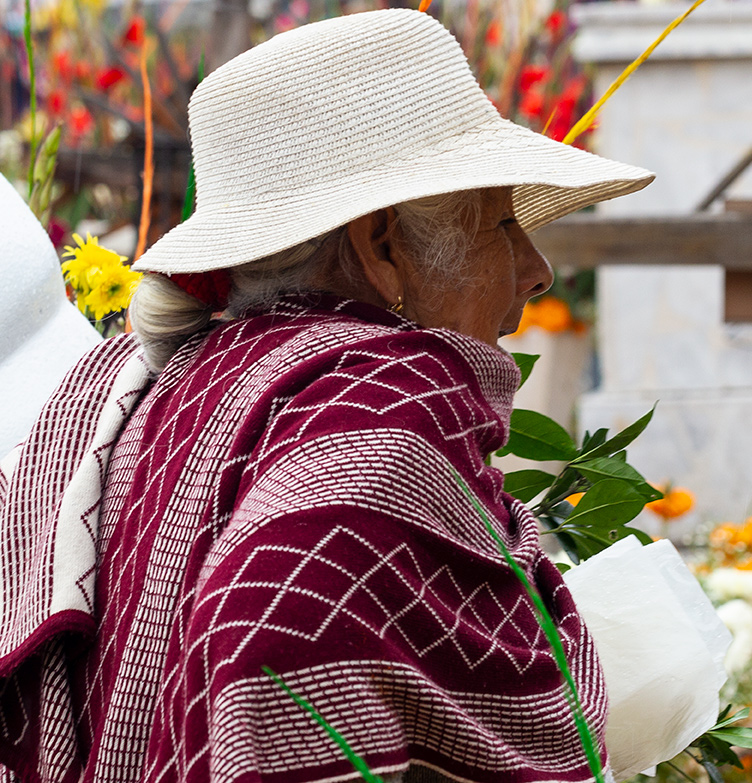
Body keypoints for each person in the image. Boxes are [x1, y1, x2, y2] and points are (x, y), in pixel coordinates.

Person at [0, 9, 654, 782]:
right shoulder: (382, 404)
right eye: (503, 224)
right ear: (382, 246)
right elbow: (279, 626)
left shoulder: (171, 383)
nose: (536, 270)